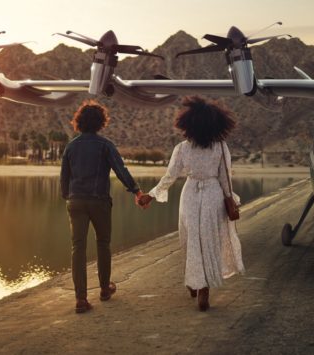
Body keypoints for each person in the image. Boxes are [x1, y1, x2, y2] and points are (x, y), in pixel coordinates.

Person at [138, 96, 245, 312]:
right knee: (209, 241)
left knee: (190, 240)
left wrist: (151, 195)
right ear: (216, 124)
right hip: (214, 194)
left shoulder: (182, 148)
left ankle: (195, 283)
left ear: (188, 124)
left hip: (190, 195)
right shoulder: (220, 147)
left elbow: (170, 176)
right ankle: (203, 289)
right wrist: (230, 199)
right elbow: (226, 179)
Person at [60, 100, 146, 314]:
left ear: (78, 121)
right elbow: (120, 170)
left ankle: (80, 299)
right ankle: (105, 289)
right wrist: (136, 191)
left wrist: (68, 198)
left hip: (76, 200)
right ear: (100, 123)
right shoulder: (105, 145)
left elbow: (64, 178)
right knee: (103, 243)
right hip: (99, 201)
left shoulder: (71, 146)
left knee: (77, 248)